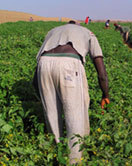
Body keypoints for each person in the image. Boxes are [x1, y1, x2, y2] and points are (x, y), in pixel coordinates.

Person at [33, 20, 110, 164]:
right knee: (75, 115)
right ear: (78, 26)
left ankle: (56, 154)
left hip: (43, 65)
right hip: (69, 64)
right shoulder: (87, 33)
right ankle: (74, 160)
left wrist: (41, 95)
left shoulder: (53, 31)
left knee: (51, 113)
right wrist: (105, 94)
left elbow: (37, 69)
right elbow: (101, 70)